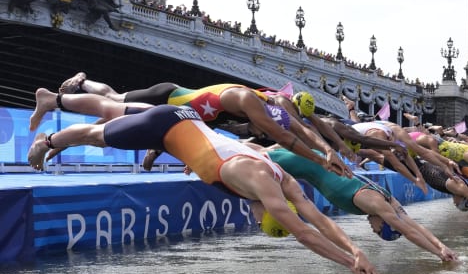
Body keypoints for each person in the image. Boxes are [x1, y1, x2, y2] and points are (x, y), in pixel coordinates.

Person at [27, 102, 386, 274]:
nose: (253, 217)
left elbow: (319, 219)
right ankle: (48, 141)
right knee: (95, 133)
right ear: (271, 212)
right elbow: (305, 231)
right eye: (261, 219)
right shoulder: (261, 180)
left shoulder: (285, 181)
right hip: (167, 123)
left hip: (186, 126)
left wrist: (356, 249)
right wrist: (352, 263)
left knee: (109, 115)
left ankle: (62, 137)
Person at [53, 75, 347, 175]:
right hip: (167, 96)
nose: (258, 133)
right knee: (114, 101)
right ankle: (82, 82)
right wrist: (321, 160)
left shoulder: (271, 106)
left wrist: (325, 150)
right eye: (261, 128)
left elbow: (299, 130)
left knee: (122, 117)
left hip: (179, 115)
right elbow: (284, 136)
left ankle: (154, 150)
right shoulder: (250, 102)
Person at [260, 147, 460, 261]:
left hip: (309, 160)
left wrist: (442, 247)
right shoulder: (375, 203)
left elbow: (413, 225)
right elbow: (409, 232)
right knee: (254, 158)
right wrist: (438, 254)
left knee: (254, 152)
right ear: (384, 223)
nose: (373, 231)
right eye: (379, 232)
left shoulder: (389, 199)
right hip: (300, 163)